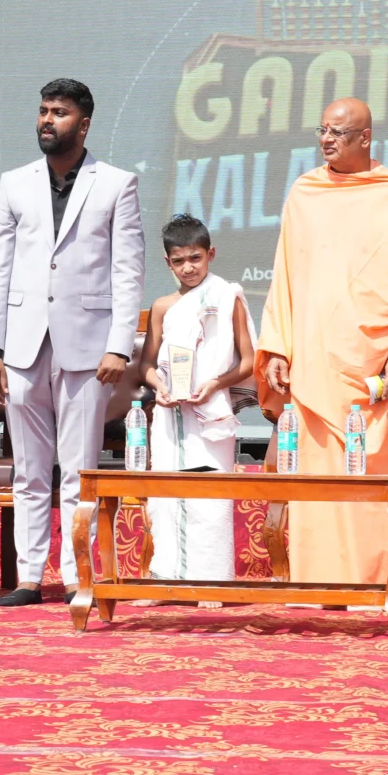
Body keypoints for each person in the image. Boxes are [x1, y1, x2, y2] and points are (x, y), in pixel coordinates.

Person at [258, 98, 388, 584]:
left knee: (367, 466)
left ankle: (370, 582)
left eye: (338, 132)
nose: (327, 139)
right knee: (317, 469)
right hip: (313, 360)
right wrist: (279, 344)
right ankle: (314, 582)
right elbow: (285, 274)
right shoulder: (304, 192)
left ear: (365, 138)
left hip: (374, 360)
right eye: (322, 129)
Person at [0, 79, 146, 605]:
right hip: (22, 346)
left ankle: (78, 578)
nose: (48, 120)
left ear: (85, 123)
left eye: (61, 112)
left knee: (78, 469)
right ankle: (30, 577)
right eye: (44, 110)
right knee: (28, 469)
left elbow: (128, 270)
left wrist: (121, 344)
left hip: (89, 347)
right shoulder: (13, 183)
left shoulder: (118, 183)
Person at [137, 215, 255, 581]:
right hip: (171, 414)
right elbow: (146, 366)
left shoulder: (227, 295)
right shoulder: (161, 306)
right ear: (167, 262)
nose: (188, 268)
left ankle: (213, 578)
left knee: (210, 496)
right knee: (165, 495)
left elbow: (249, 361)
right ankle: (164, 576)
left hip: (210, 412)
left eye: (195, 258)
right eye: (179, 260)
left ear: (211, 254)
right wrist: (162, 388)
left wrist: (215, 384)